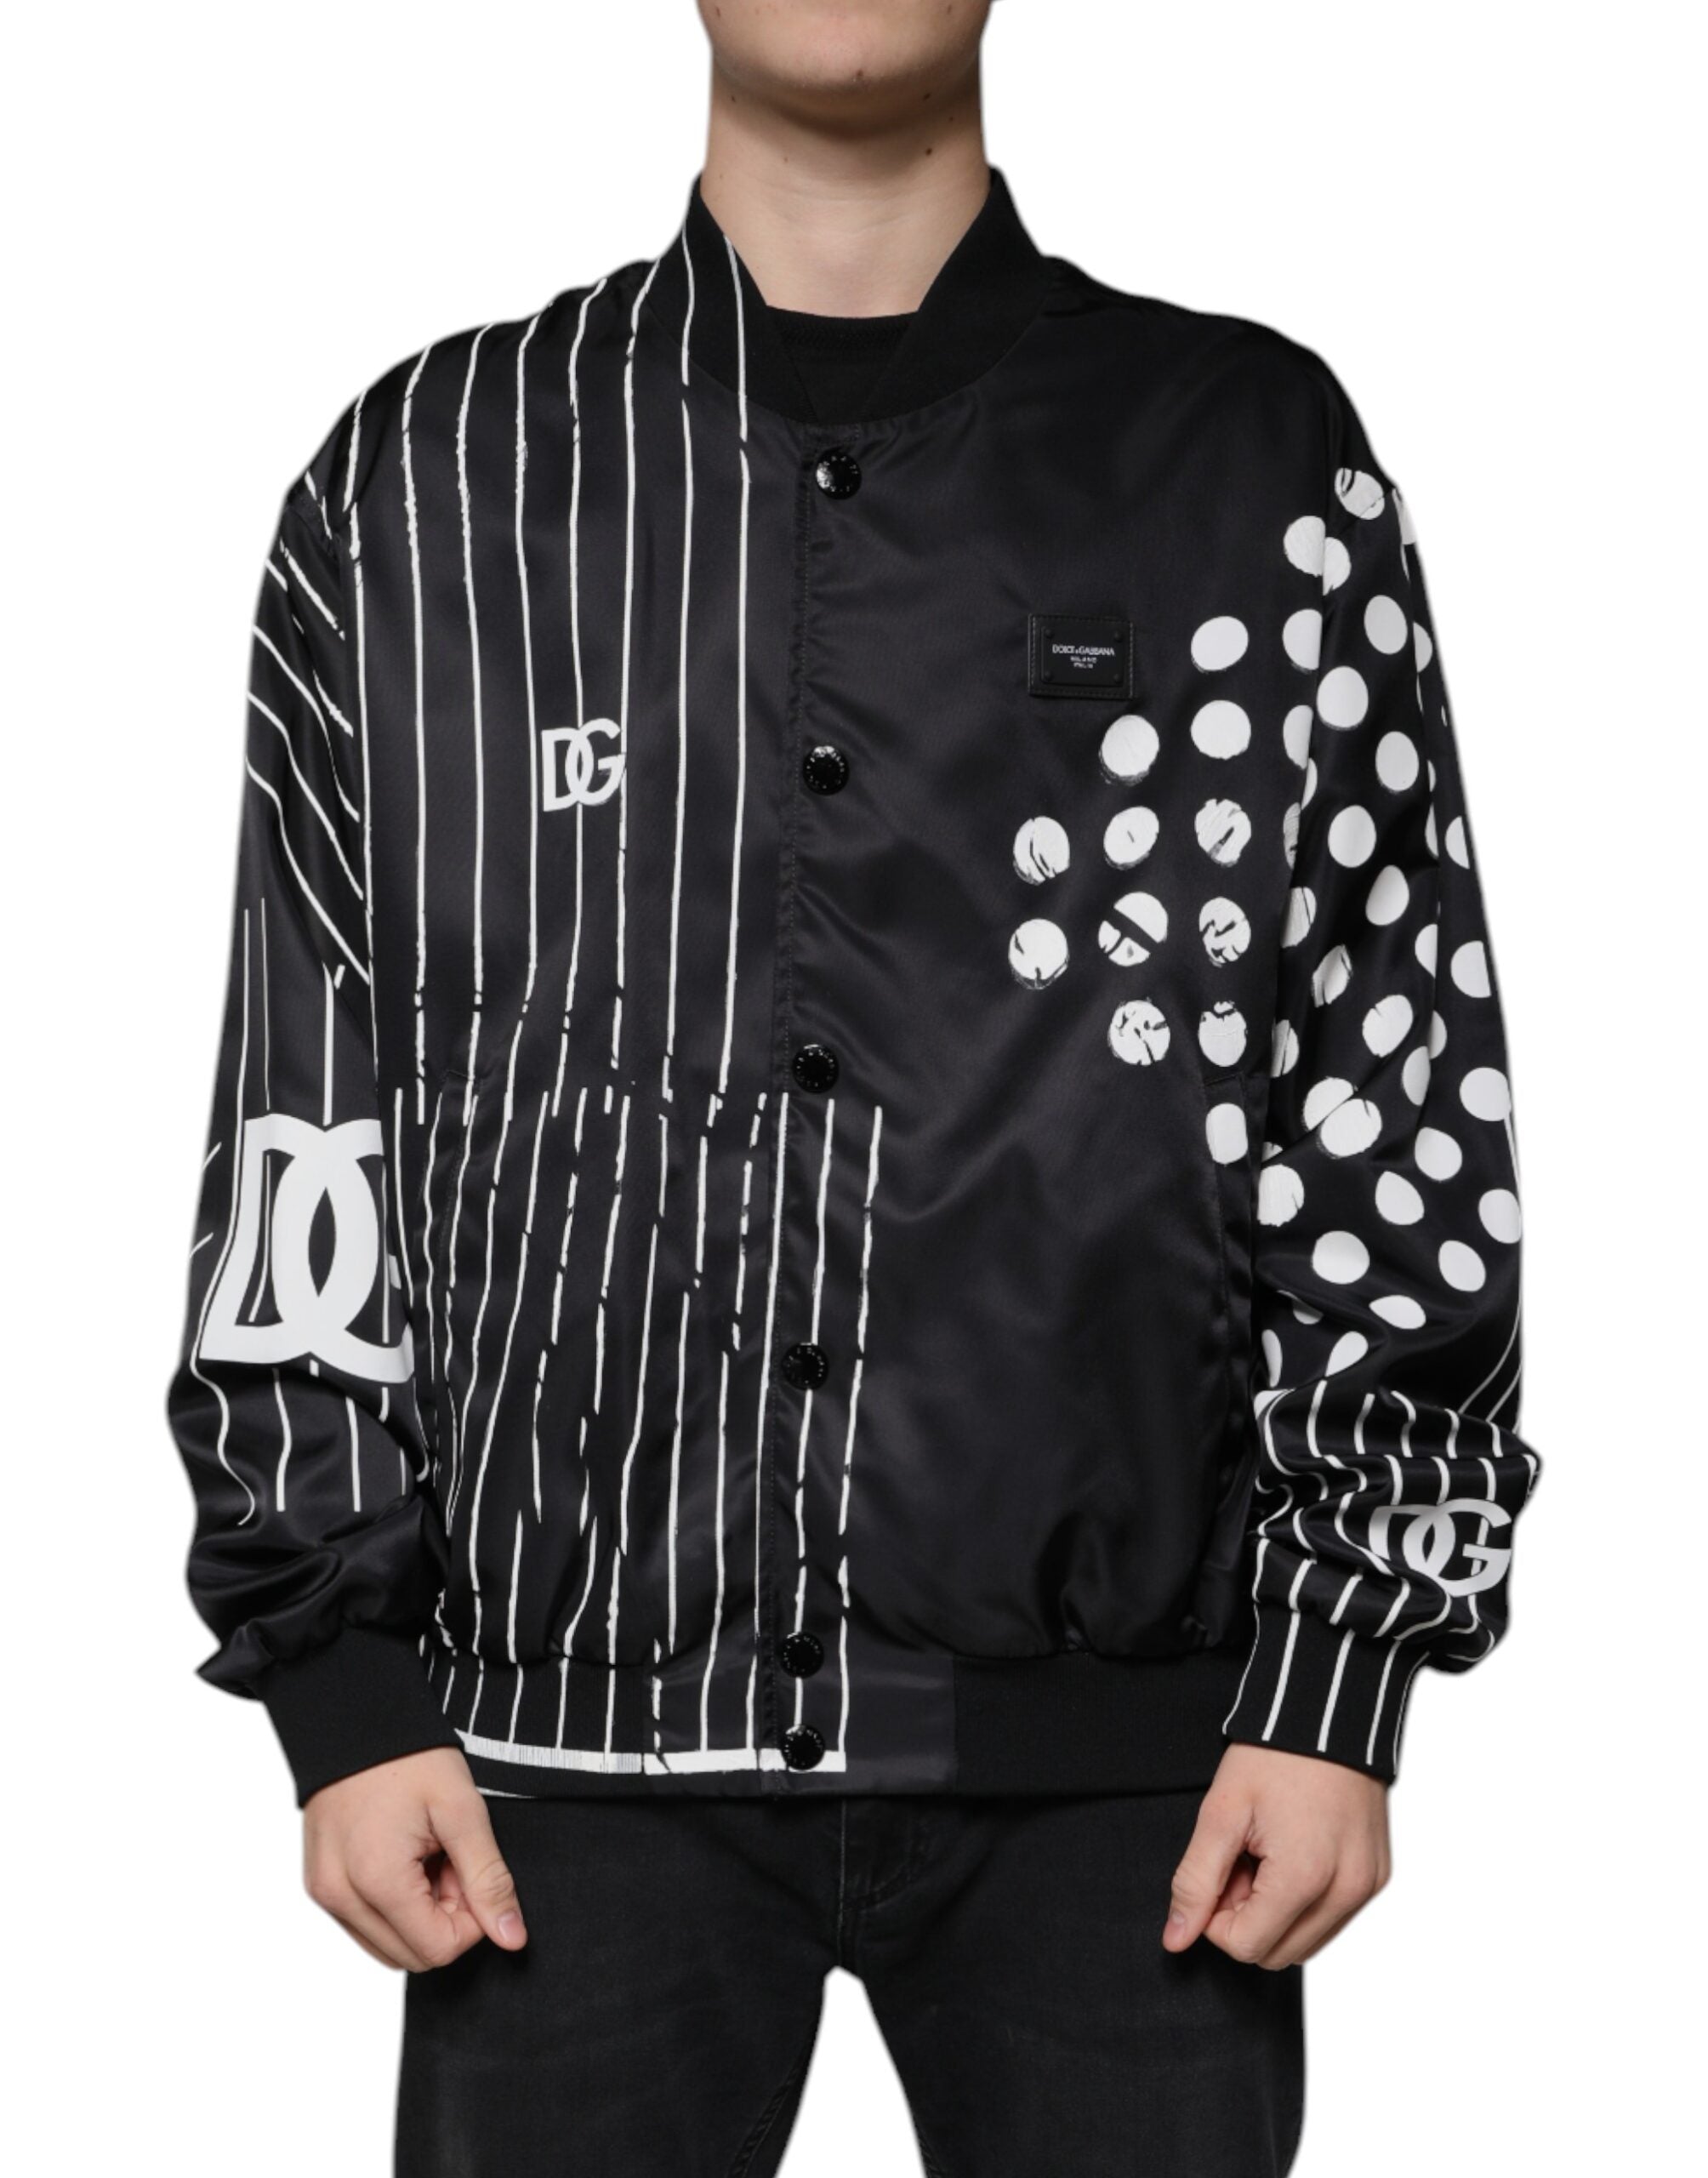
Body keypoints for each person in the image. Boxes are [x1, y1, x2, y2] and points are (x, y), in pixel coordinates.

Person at [164, 3, 1540, 2171]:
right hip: (548, 1777)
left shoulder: (1244, 459)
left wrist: (1341, 1666)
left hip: (1145, 1787)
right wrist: (335, 1677)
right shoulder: (426, 481)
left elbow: (1388, 1066)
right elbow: (305, 1104)